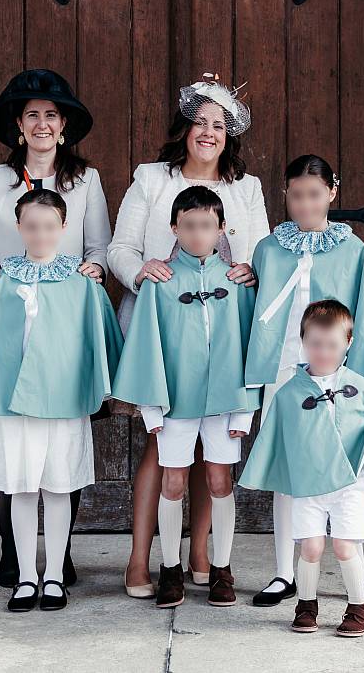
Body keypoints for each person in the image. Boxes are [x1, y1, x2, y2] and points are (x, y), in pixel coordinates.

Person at [107, 75, 269, 597]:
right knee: (163, 451)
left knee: (213, 457)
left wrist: (248, 272)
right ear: (185, 129)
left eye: (218, 125)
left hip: (223, 334)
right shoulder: (152, 179)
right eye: (200, 122)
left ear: (230, 136)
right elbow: (120, 248)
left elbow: (261, 249)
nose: (208, 132)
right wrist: (144, 271)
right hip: (164, 329)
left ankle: (202, 554)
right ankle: (141, 559)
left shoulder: (245, 188)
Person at [0, 188, 123, 613]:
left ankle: (55, 575)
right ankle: (25, 577)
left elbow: (101, 341)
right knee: (21, 488)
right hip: (13, 403)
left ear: (64, 228)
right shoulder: (1, 284)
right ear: (19, 227)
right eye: (31, 226)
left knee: (59, 488)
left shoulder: (83, 284)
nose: (40, 233)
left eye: (49, 226)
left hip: (64, 400)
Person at [0, 69, 112, 588]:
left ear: (63, 124)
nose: (42, 123)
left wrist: (95, 268)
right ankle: (15, 552)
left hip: (64, 327)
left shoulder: (86, 180)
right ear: (18, 126)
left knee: (61, 447)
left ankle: (60, 555)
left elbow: (99, 248)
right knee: (11, 447)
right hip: (11, 323)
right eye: (32, 115)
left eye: (51, 115)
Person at [244, 154, 364, 609]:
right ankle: (284, 572)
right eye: (296, 195)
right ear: (285, 195)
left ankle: (359, 569)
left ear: (332, 193)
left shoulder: (352, 250)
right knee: (288, 469)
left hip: (340, 377)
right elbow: (253, 309)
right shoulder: (268, 248)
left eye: (314, 194)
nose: (304, 204)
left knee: (348, 468)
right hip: (285, 375)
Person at [240, 299, 364, 637]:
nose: (323, 352)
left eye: (332, 345)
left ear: (347, 343)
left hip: (348, 486)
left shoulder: (359, 386)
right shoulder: (289, 394)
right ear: (303, 342)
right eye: (315, 344)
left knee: (345, 547)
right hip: (308, 487)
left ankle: (358, 607)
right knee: (311, 548)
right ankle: (305, 604)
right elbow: (275, 440)